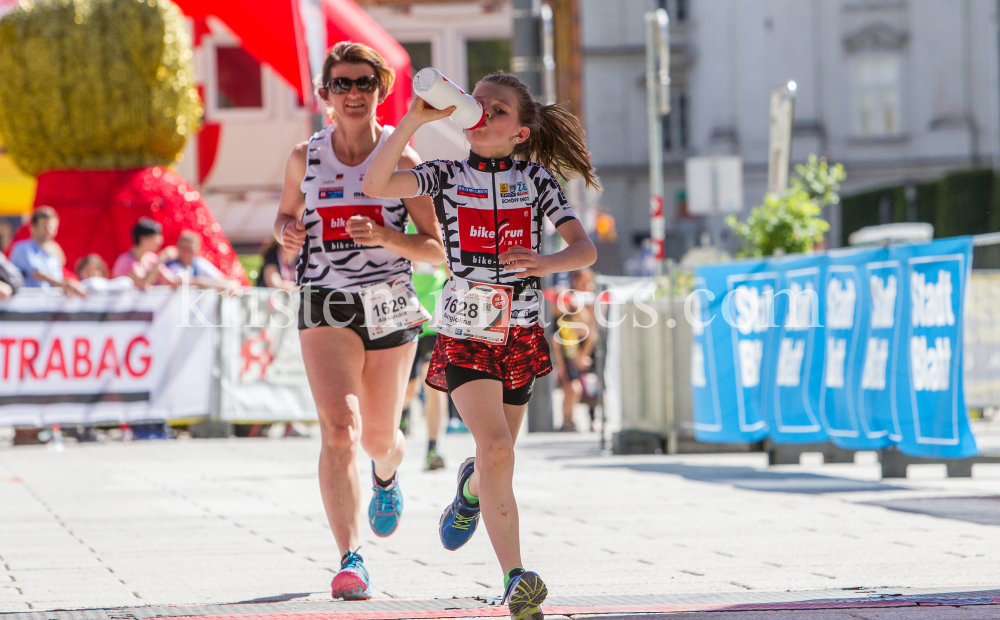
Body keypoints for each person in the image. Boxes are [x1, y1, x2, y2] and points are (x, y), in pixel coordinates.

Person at [363, 71, 598, 620]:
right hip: (465, 330)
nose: (482, 114)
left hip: (518, 329)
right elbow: (376, 184)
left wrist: (546, 263)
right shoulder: (443, 174)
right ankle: (516, 578)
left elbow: (583, 249)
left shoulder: (537, 179)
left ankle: (469, 491)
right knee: (496, 448)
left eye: (498, 110)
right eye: (479, 104)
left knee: (498, 457)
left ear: (520, 132)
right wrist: (417, 119)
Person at [272, 41, 445, 600]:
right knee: (339, 428)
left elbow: (436, 249)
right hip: (324, 299)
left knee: (377, 438)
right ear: (324, 94)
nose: (352, 93)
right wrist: (287, 232)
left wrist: (388, 237)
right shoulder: (305, 156)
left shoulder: (403, 161)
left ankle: (389, 474)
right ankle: (350, 557)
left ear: (380, 91)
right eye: (341, 84)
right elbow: (285, 217)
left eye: (364, 83)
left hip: (390, 302)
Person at [399, 262, 449, 470]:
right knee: (409, 389)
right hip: (405, 318)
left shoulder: (444, 231)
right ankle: (403, 413)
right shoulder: (402, 228)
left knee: (435, 385)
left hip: (436, 322)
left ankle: (432, 449)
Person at [550, 269, 599, 432]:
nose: (586, 286)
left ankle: (589, 419)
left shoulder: (591, 302)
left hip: (586, 353)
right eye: (582, 282)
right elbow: (564, 328)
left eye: (588, 282)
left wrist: (584, 355)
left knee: (590, 388)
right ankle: (568, 421)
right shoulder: (567, 301)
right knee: (572, 388)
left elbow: (590, 333)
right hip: (570, 353)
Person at [9, 206, 86, 296]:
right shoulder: (22, 248)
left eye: (52, 227)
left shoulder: (53, 254)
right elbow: (37, 273)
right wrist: (64, 283)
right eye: (45, 227)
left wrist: (71, 284)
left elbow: (57, 279)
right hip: (26, 306)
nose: (49, 231)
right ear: (33, 228)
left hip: (48, 306)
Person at [111, 218, 181, 289]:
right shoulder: (126, 261)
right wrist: (161, 258)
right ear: (143, 239)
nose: (161, 241)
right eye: (157, 237)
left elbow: (172, 281)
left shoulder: (151, 258)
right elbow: (142, 283)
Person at [165, 230, 239, 290]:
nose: (186, 253)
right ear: (178, 247)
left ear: (196, 250)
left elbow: (226, 281)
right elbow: (180, 282)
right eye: (184, 248)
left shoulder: (198, 263)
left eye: (190, 250)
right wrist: (201, 282)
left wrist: (202, 282)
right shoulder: (171, 265)